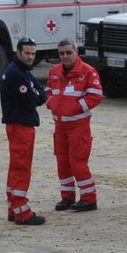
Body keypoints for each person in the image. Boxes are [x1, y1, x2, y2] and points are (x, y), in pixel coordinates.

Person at [45, 38, 104, 212]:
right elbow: (48, 90)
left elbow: (96, 95)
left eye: (68, 52)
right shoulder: (54, 71)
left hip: (78, 126)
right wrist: (51, 103)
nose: (65, 56)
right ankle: (67, 197)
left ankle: (89, 198)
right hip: (60, 126)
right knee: (62, 162)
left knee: (77, 162)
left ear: (76, 52)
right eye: (61, 53)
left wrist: (76, 108)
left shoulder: (88, 71)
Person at [0, 37, 48, 226]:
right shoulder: (17, 73)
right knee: (21, 167)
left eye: (33, 53)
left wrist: (36, 94)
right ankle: (22, 212)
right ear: (18, 52)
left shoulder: (22, 71)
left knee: (16, 167)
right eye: (27, 53)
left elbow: (40, 93)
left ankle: (14, 208)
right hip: (21, 126)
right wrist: (36, 95)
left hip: (19, 125)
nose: (30, 57)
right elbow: (31, 101)